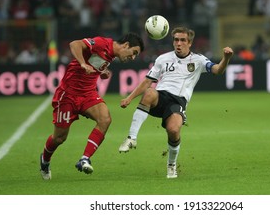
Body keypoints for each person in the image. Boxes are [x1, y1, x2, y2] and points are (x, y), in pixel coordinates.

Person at [118, 26, 234, 178]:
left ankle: (171, 165)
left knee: (173, 131)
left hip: (178, 102)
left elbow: (218, 70)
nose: (179, 43)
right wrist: (129, 98)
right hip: (161, 96)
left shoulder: (198, 60)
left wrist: (226, 58)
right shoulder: (163, 59)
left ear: (189, 43)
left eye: (182, 40)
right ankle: (131, 138)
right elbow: (147, 81)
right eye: (176, 40)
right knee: (149, 92)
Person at [39, 32, 144, 180]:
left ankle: (84, 159)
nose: (133, 57)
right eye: (133, 53)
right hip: (68, 94)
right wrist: (82, 63)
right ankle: (45, 160)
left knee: (105, 119)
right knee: (59, 138)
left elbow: (94, 62)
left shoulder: (111, 55)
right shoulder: (102, 43)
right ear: (126, 45)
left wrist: (102, 72)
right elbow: (75, 44)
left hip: (88, 94)